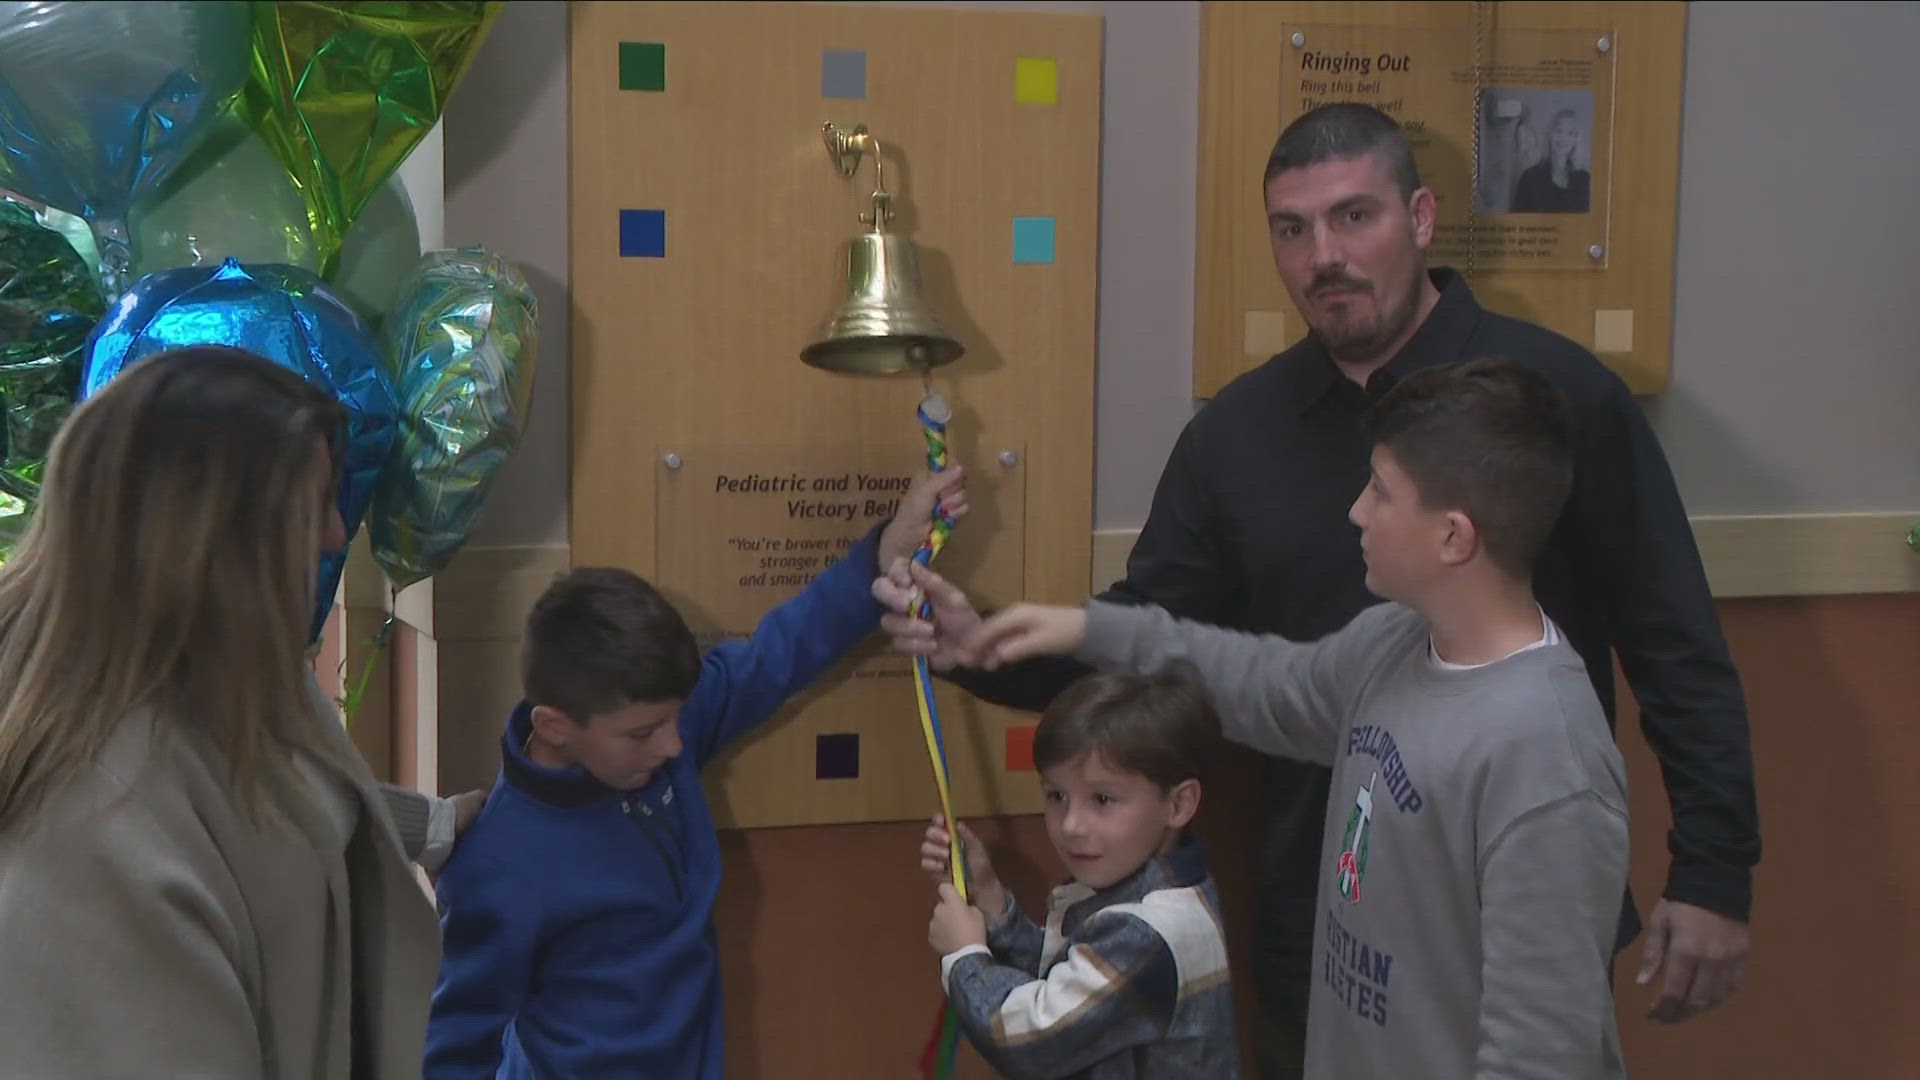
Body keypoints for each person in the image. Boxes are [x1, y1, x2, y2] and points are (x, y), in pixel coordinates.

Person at [937, 101, 1758, 1076]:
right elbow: (1215, 660)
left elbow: (1672, 640)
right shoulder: (1245, 444)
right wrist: (984, 643)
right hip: (1319, 913)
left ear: (1419, 216)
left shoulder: (1553, 402)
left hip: (1486, 909)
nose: (1323, 254)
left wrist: (1712, 868)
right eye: (1293, 229)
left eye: (1353, 217)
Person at [884, 358, 1629, 1077]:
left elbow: (1541, 1056)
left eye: (1380, 490)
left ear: (1453, 536)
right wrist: (1073, 631)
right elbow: (1254, 682)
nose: (1356, 510)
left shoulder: (1548, 759)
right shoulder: (1392, 643)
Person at [423, 465, 968, 1079]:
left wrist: (882, 556)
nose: (677, 746)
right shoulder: (498, 865)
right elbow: (457, 1044)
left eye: (678, 719)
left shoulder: (647, 732)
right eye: (644, 733)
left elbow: (773, 656)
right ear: (555, 727)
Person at [0, 345, 442, 1077]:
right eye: (309, 509)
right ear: (205, 540)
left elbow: (279, 798)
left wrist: (441, 827)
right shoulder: (92, 837)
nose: (336, 533)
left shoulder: (234, 672)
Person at [918, 664, 1237, 1079]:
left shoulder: (1147, 932)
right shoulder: (1141, 894)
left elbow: (1028, 1042)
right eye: (1057, 795)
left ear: (1178, 805)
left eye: (1103, 799)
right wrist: (990, 898)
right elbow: (1069, 986)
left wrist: (963, 956)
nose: (1070, 825)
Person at [1512, 108, 1591, 213]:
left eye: (1570, 133)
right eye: (1559, 130)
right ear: (1550, 135)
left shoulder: (1585, 180)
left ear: (1576, 140)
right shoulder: (1529, 178)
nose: (1563, 138)